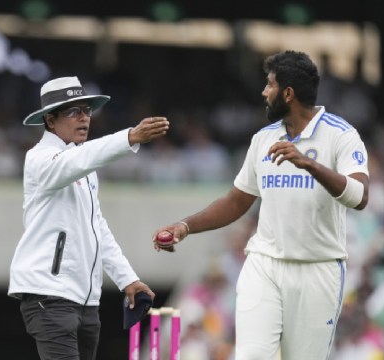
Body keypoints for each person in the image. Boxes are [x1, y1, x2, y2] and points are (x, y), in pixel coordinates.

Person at [152, 50, 370, 360]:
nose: (264, 92)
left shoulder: (341, 136)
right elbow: (236, 201)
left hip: (318, 270)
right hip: (264, 265)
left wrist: (310, 165)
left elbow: (360, 196)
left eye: (269, 85)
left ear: (288, 93)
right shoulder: (263, 140)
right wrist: (185, 226)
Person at [8, 76, 167, 360]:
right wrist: (129, 137)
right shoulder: (39, 157)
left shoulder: (84, 163)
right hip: (49, 296)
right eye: (73, 111)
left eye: (87, 110)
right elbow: (76, 162)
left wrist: (127, 280)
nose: (84, 118)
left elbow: (97, 229)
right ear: (50, 120)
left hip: (85, 302)